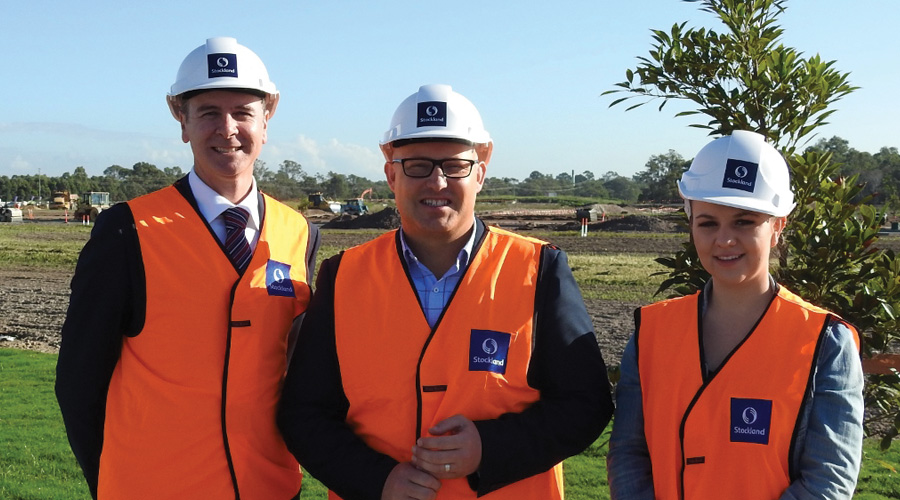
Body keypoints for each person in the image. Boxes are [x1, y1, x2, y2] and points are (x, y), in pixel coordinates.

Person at [277, 84, 614, 500]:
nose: (437, 181)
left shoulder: (538, 269)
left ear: (480, 174)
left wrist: (490, 449)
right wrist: (377, 480)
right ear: (391, 175)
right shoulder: (343, 275)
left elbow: (586, 405)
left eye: (454, 166)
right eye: (417, 165)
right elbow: (304, 414)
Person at [55, 37, 320, 499]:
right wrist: (114, 483)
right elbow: (79, 382)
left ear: (268, 115)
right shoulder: (127, 231)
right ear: (181, 119)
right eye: (209, 113)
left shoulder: (299, 232)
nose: (228, 128)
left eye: (243, 111)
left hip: (271, 487)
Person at [607, 130, 865, 499]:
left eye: (744, 222)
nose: (724, 240)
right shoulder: (652, 330)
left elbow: (829, 480)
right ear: (691, 224)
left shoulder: (824, 340)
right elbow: (629, 454)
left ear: (778, 226)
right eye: (708, 223)